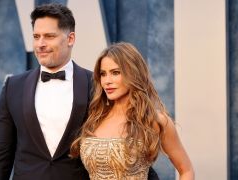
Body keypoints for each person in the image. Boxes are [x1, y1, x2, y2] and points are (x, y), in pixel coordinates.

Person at [0, 3, 159, 180]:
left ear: (70, 38)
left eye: (49, 36)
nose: (40, 44)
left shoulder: (97, 85)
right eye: (36, 37)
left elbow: (128, 146)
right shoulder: (13, 87)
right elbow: (1, 153)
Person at [71, 42, 195, 180]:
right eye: (103, 74)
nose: (107, 81)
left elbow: (186, 170)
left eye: (115, 73)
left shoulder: (154, 120)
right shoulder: (95, 117)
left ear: (133, 73)